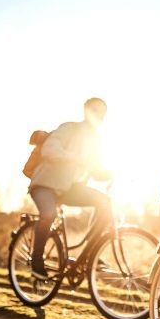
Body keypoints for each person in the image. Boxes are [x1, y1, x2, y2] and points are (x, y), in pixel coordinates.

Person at [28, 97, 112, 278]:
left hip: (70, 189)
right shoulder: (69, 128)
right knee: (49, 214)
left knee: (105, 203)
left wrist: (109, 174)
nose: (100, 115)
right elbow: (49, 149)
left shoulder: (96, 140)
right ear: (86, 111)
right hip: (45, 185)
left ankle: (91, 253)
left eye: (103, 112)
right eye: (96, 110)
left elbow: (94, 169)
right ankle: (36, 260)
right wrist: (74, 157)